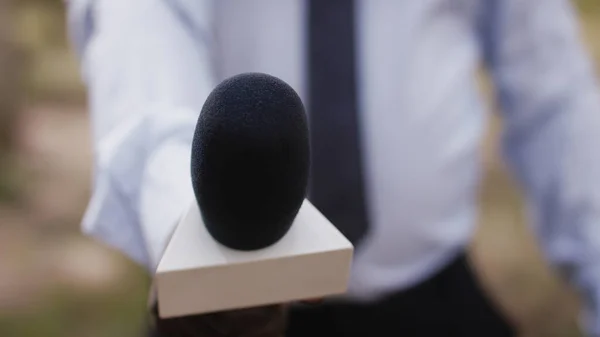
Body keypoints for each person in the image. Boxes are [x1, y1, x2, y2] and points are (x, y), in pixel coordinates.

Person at [66, 0, 600, 336]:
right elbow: (141, 45)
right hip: (233, 309)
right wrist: (200, 243)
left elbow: (553, 94)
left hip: (433, 294)